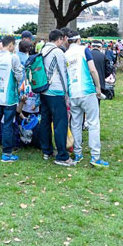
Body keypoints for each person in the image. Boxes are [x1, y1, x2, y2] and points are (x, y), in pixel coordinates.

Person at [65, 31, 109, 167]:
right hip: (87, 91)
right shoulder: (84, 50)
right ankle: (95, 156)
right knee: (93, 123)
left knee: (76, 124)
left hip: (73, 93)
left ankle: (78, 153)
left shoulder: (65, 55)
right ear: (78, 40)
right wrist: (98, 86)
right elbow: (93, 70)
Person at [0, 35, 25, 161]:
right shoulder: (13, 57)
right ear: (11, 45)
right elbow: (19, 75)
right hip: (9, 96)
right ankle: (7, 153)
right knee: (8, 124)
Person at [39, 29, 74, 166]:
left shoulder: (43, 50)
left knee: (45, 121)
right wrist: (66, 94)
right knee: (60, 123)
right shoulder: (58, 52)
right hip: (56, 91)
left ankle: (47, 151)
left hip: (44, 91)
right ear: (59, 39)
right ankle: (62, 156)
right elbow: (62, 73)